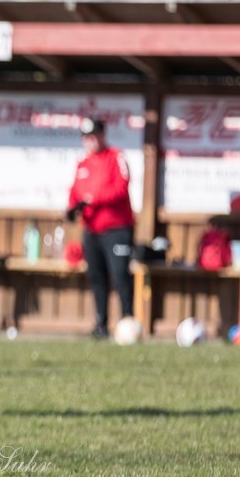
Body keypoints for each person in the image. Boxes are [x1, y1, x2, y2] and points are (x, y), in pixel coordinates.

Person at [66, 117, 134, 339]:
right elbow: (75, 192)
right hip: (92, 230)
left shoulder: (116, 157)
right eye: (86, 137)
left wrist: (94, 199)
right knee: (97, 277)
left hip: (116, 229)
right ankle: (101, 325)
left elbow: (121, 188)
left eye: (94, 136)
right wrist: (72, 208)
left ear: (103, 135)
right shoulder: (82, 164)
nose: (90, 141)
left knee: (120, 275)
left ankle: (128, 323)